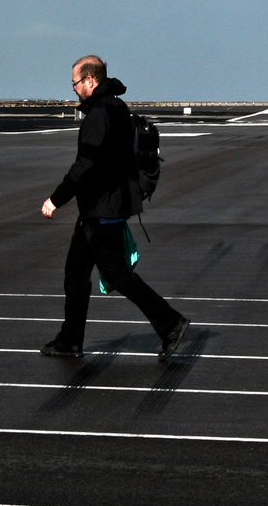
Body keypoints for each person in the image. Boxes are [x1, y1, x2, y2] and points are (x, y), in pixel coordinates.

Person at [40, 55, 188, 361]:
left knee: (116, 274)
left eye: (76, 82)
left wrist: (56, 199)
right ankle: (70, 340)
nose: (74, 88)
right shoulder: (117, 107)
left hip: (102, 208)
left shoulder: (100, 112)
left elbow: (86, 164)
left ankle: (171, 322)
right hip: (106, 206)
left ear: (91, 80)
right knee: (76, 273)